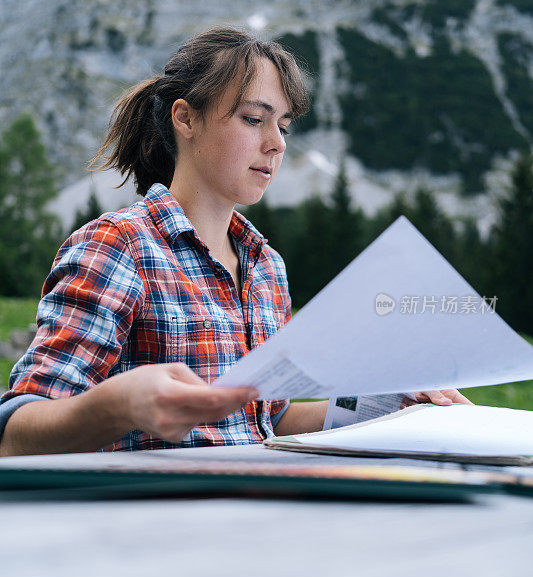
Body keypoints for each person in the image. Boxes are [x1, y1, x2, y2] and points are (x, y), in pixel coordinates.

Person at [0, 26, 469, 456]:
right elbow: (15, 432)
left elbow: (270, 418)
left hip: (255, 523)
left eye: (283, 126)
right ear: (186, 119)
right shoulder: (118, 246)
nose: (277, 143)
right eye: (252, 119)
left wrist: (382, 406)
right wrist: (117, 407)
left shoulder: (267, 266)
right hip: (147, 529)